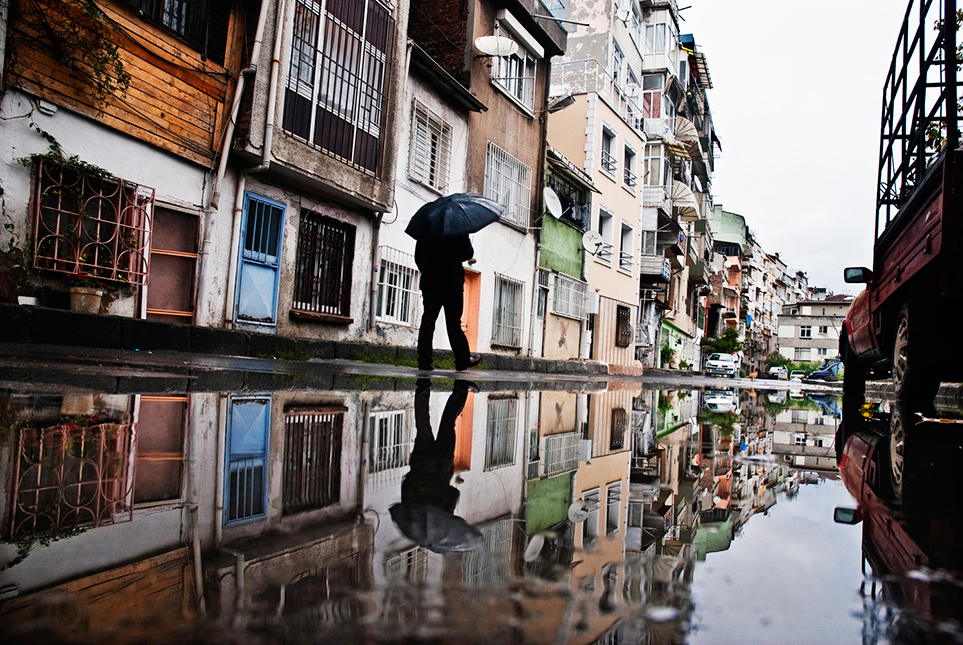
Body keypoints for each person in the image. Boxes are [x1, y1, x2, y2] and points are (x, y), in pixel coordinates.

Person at [415, 234, 481, 371]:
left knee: (428, 320)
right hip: (452, 282)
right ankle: (462, 360)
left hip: (431, 282)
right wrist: (465, 236)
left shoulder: (428, 228)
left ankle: (424, 361)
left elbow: (418, 257)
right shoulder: (458, 229)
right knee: (453, 323)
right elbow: (467, 253)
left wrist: (428, 270)